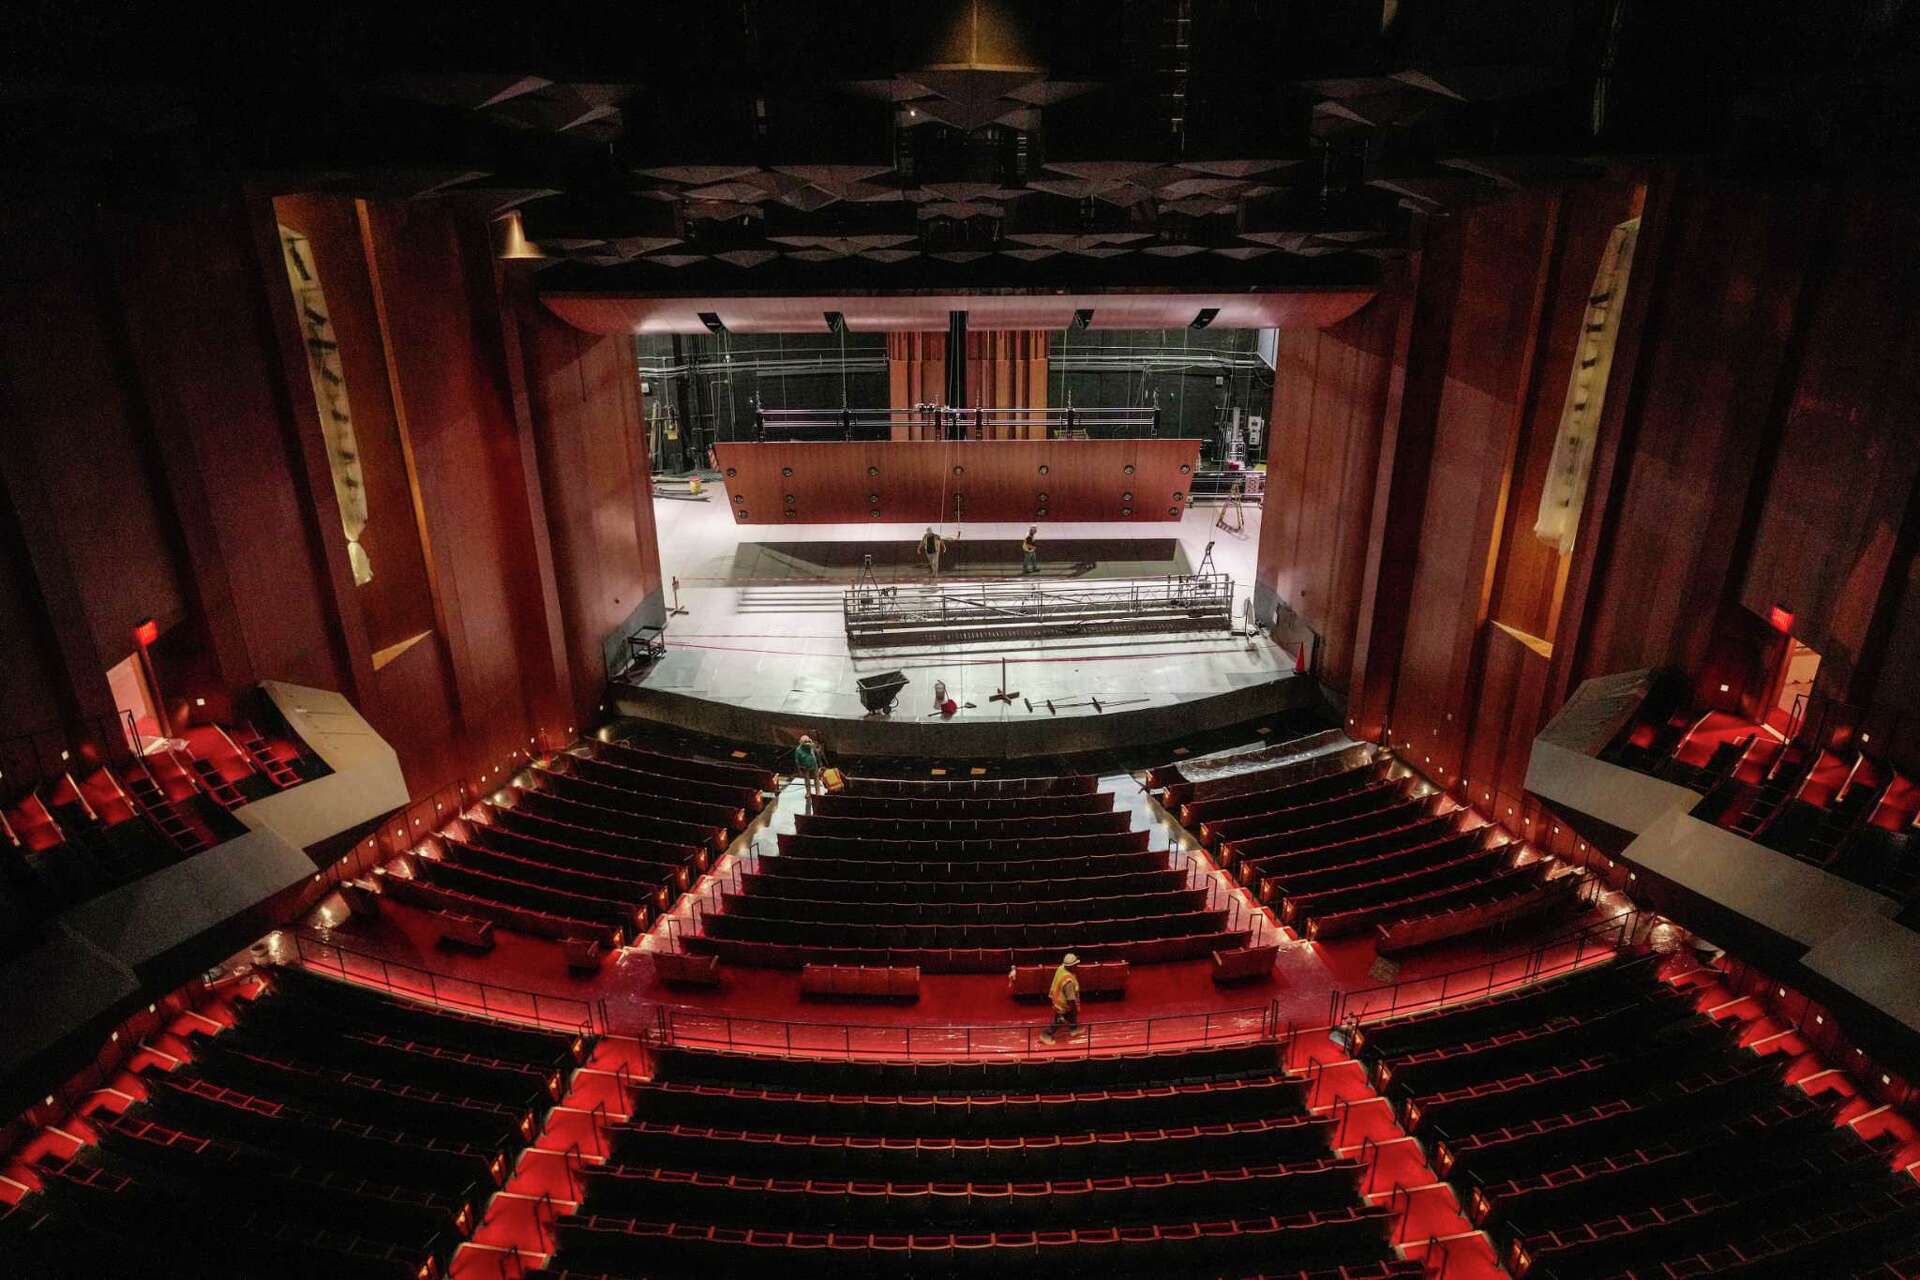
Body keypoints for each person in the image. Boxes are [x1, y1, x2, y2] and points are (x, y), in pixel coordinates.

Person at [1040, 953, 1081, 1045]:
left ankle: (1074, 1029)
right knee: (1060, 1020)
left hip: (1056, 997)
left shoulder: (1061, 968)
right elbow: (1070, 1000)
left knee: (1072, 1016)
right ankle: (1045, 1035)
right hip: (1063, 1004)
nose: (1077, 966)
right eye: (1075, 964)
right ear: (1072, 966)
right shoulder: (1068, 981)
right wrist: (1074, 1008)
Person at [794, 733, 826, 806]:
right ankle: (808, 792)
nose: (807, 743)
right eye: (805, 742)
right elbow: (797, 761)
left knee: (816, 779)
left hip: (814, 765)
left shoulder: (812, 747)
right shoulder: (798, 750)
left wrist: (820, 764)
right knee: (807, 780)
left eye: (808, 741)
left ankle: (818, 791)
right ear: (801, 743)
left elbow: (817, 754)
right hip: (805, 767)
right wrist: (799, 770)